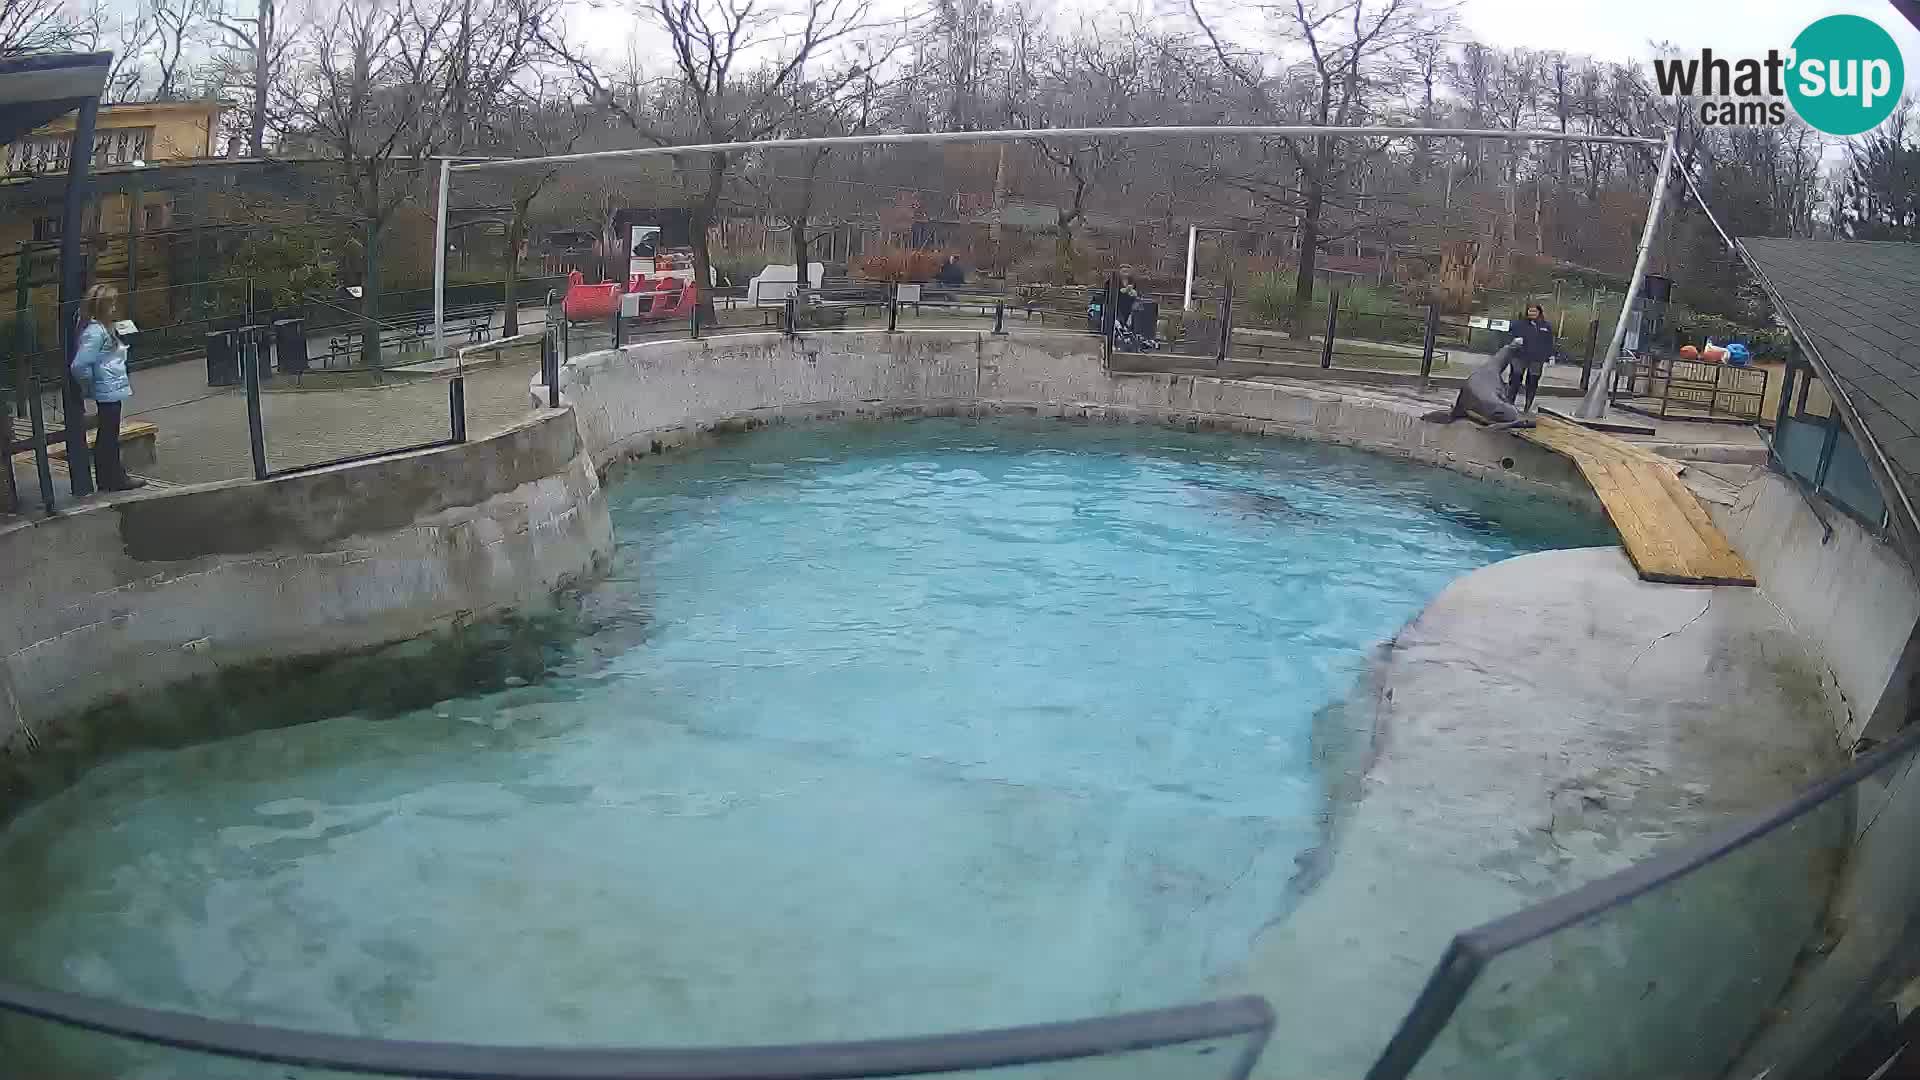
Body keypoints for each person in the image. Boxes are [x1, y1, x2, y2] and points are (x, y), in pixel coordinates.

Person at [69, 283, 144, 492]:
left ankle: (108, 478)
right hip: (106, 390)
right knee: (109, 436)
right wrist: (89, 384)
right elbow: (80, 364)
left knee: (108, 434)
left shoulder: (102, 329)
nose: (114, 308)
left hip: (110, 389)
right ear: (100, 307)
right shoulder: (95, 332)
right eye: (110, 304)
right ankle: (114, 478)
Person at [1508, 303, 1555, 413]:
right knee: (1516, 377)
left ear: (1539, 312)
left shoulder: (1545, 326)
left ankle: (1527, 406)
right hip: (1520, 356)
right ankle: (1509, 403)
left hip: (1537, 358)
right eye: (1530, 311)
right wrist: (1514, 341)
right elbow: (1509, 336)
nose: (1532, 313)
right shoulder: (1519, 324)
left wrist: (1551, 355)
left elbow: (1549, 342)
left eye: (1535, 311)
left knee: (1533, 380)